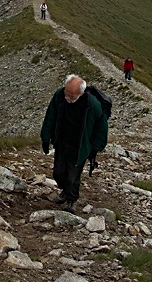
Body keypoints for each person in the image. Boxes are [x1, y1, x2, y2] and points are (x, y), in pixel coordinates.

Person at [39, 74, 109, 213]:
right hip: (62, 142)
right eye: (67, 93)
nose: (68, 97)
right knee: (58, 173)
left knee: (73, 176)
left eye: (72, 96)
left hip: (80, 146)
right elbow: (50, 115)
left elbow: (102, 127)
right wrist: (45, 137)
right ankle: (65, 191)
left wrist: (94, 148)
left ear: (81, 93)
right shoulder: (59, 96)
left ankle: (71, 200)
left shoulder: (92, 104)